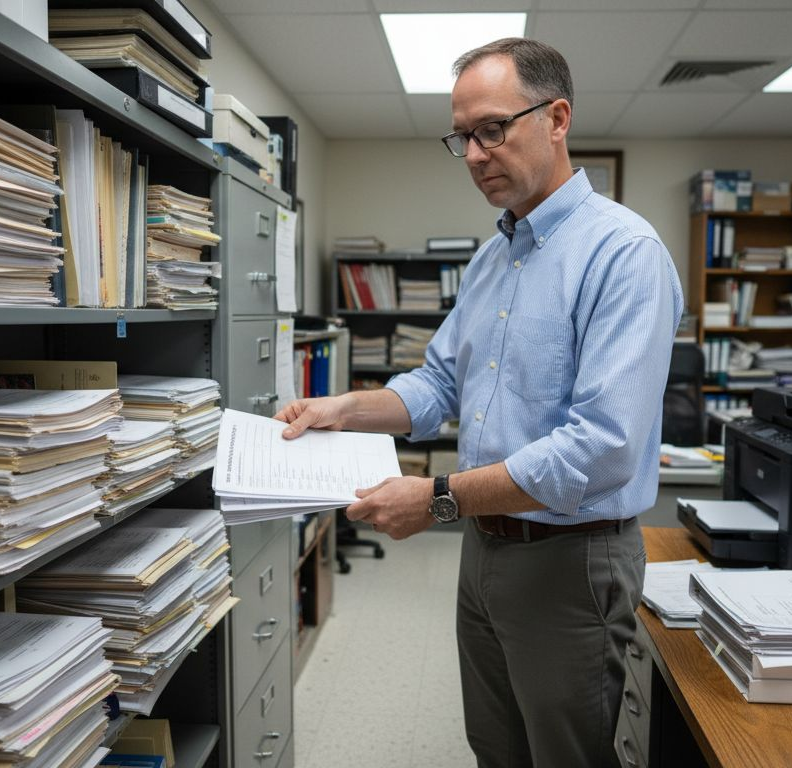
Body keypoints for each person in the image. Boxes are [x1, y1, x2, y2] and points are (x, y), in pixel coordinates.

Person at [276, 38, 682, 768]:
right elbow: (436, 386)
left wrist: (435, 499)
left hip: (572, 558)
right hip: (484, 548)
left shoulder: (624, 254)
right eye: (461, 136)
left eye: (493, 128)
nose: (473, 153)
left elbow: (599, 447)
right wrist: (340, 409)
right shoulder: (495, 255)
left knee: (570, 756)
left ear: (557, 118)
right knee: (497, 750)